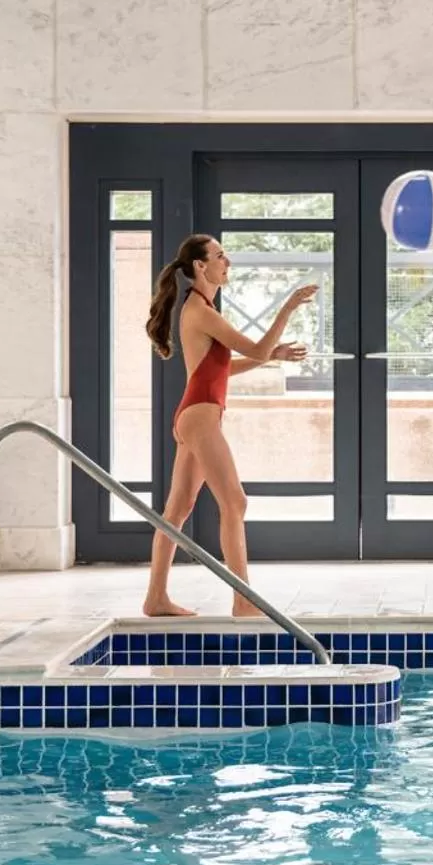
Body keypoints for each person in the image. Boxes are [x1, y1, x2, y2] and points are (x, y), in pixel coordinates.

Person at [141, 234, 316, 618]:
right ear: (201, 267)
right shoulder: (200, 310)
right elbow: (254, 348)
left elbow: (223, 368)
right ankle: (242, 600)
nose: (228, 262)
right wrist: (287, 308)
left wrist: (274, 355)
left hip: (194, 415)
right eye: (220, 256)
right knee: (234, 502)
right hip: (201, 418)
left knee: (176, 511)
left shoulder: (200, 309)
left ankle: (156, 598)